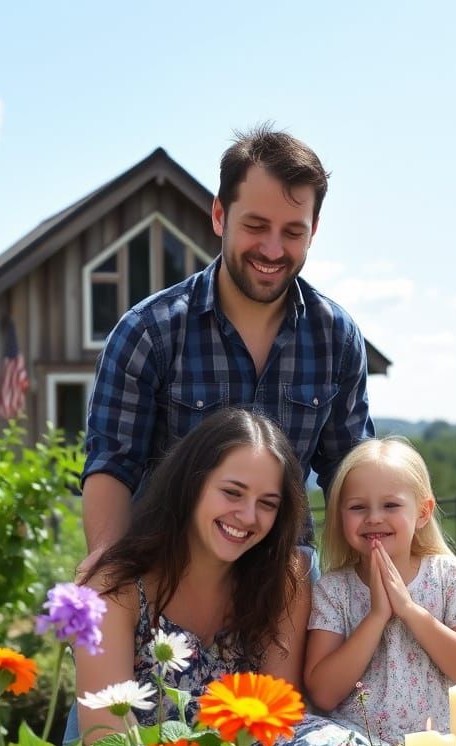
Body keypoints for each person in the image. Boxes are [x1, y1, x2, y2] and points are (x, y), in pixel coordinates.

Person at [75, 408, 370, 746]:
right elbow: (105, 732)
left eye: (267, 503)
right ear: (192, 484)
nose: (247, 516)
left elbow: (276, 716)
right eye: (232, 492)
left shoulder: (286, 577)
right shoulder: (115, 582)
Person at [81, 123, 373, 572]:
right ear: (220, 215)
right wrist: (107, 580)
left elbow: (350, 475)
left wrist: (408, 580)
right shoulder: (148, 332)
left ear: (314, 230)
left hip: (285, 575)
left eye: (293, 232)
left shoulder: (335, 337)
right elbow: (112, 467)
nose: (272, 249)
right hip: (170, 568)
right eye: (255, 226)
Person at [304, 437, 456, 746]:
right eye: (357, 507)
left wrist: (410, 611)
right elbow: (323, 694)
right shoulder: (334, 589)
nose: (374, 517)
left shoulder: (447, 575)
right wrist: (377, 617)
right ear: (340, 515)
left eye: (391, 505)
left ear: (422, 512)